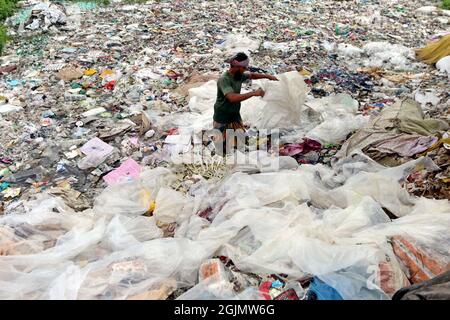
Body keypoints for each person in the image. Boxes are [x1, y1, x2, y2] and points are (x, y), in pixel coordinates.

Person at [212, 52, 278, 154]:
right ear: (237, 67)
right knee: (221, 146)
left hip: (234, 114)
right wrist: (254, 93)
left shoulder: (238, 75)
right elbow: (232, 98)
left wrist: (268, 76)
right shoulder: (224, 79)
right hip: (222, 115)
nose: (245, 70)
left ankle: (237, 151)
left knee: (240, 140)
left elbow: (252, 75)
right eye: (244, 68)